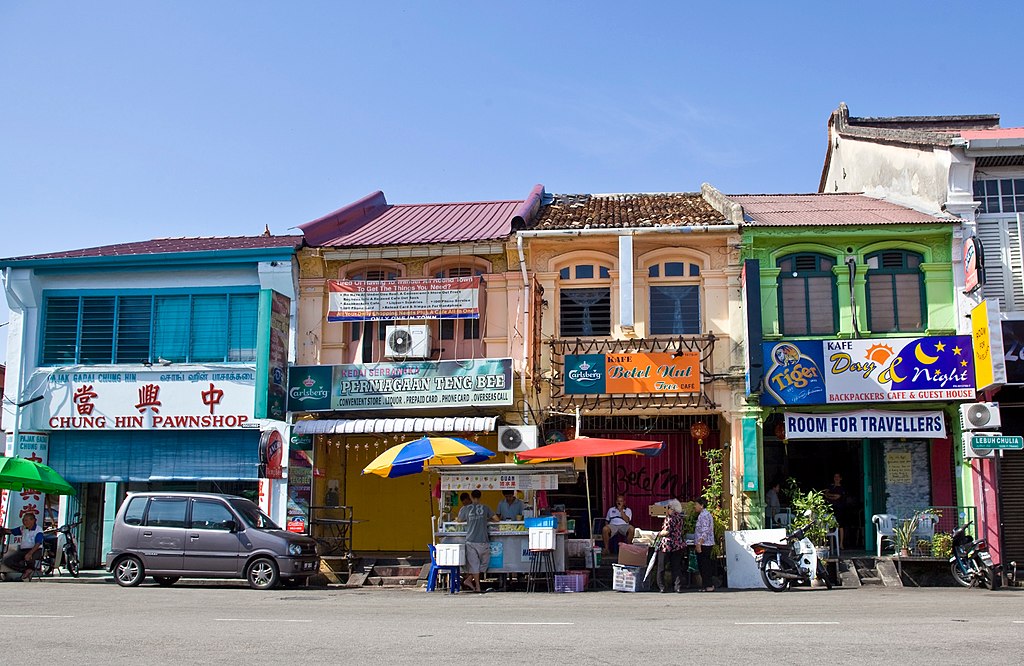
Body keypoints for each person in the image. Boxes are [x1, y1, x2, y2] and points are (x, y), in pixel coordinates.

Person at [457, 489, 498, 593]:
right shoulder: (485, 508)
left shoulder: (466, 509)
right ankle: (477, 586)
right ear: (480, 496)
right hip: (483, 540)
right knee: (484, 564)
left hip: (470, 540)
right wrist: (486, 519)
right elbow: (497, 519)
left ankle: (470, 580)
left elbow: (459, 520)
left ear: (471, 496)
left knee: (474, 565)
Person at [1, 512, 45, 581]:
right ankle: (26, 570)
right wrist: (3, 530)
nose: (24, 522)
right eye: (23, 520)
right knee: (7, 561)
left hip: (35, 550)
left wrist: (30, 553)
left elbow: (38, 543)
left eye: (26, 520)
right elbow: (12, 531)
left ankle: (29, 571)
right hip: (23, 550)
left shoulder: (38, 530)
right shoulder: (23, 528)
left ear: (33, 520)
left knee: (29, 557)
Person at [656, 499, 686, 593]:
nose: (667, 509)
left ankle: (662, 586)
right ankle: (677, 586)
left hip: (667, 545)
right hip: (678, 544)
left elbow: (667, 531)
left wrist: (659, 533)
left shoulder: (670, 518)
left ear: (672, 509)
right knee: (676, 566)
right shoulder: (680, 518)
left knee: (661, 566)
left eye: (668, 507)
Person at [692, 497, 715, 592]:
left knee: (705, 565)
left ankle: (709, 585)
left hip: (705, 544)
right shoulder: (702, 515)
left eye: (696, 505)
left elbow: (705, 531)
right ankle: (705, 585)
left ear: (701, 505)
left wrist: (699, 543)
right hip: (703, 543)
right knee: (702, 565)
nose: (695, 507)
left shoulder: (704, 515)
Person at [824, 473, 846, 548]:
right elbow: (825, 494)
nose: (836, 478)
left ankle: (841, 544)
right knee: (826, 525)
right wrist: (831, 495)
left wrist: (829, 495)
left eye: (838, 477)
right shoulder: (830, 486)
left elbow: (837, 497)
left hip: (839, 508)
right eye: (835, 476)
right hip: (830, 508)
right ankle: (826, 544)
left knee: (840, 525)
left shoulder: (841, 488)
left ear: (840, 478)